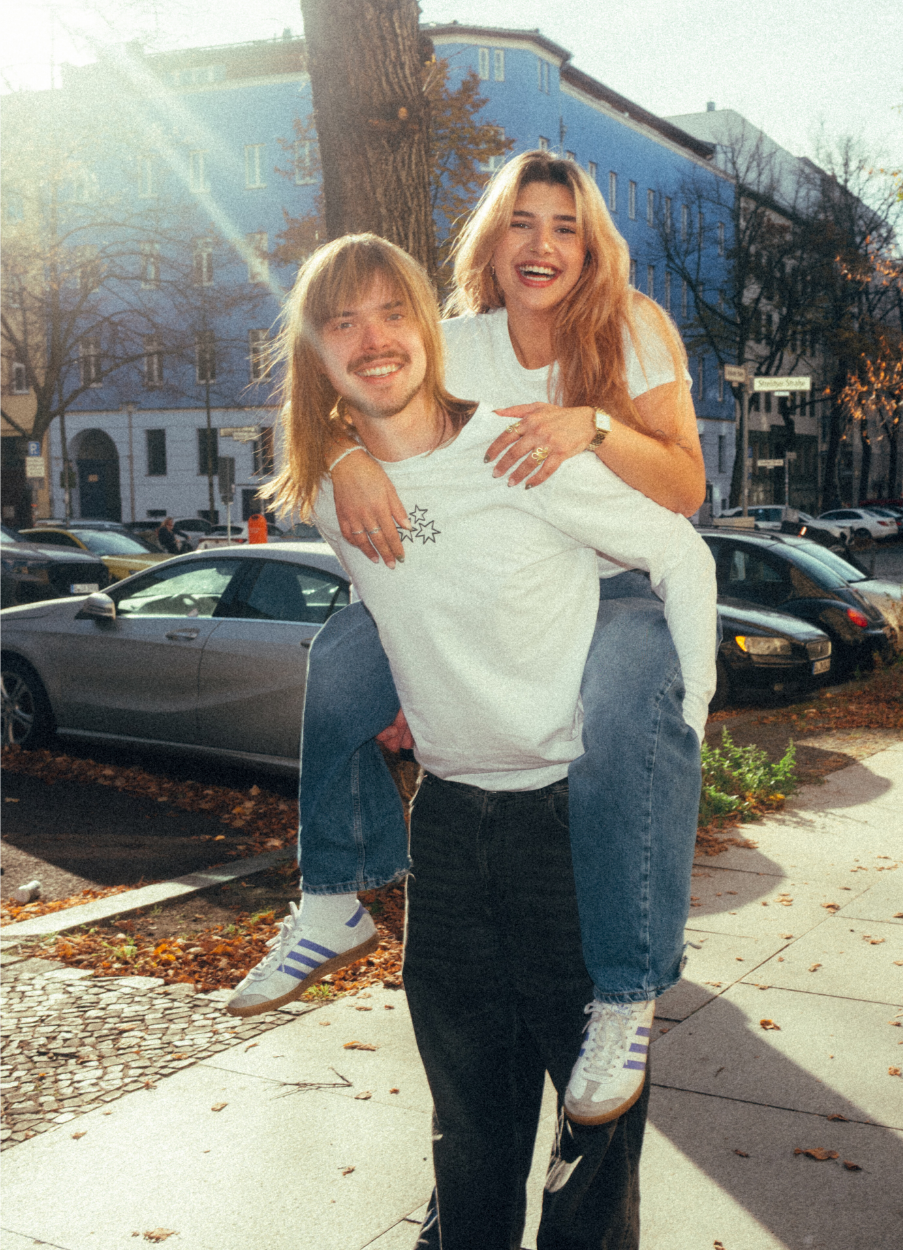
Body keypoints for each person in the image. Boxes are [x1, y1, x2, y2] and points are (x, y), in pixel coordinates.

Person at [245, 231, 715, 1248]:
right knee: (468, 1131)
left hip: (564, 826)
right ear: (318, 358)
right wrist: (342, 451)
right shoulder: (336, 489)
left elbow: (676, 544)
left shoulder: (516, 447)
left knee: (593, 1143)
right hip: (449, 829)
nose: (371, 340)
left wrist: (685, 715)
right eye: (340, 323)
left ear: (429, 325)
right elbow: (391, 613)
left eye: (389, 313)